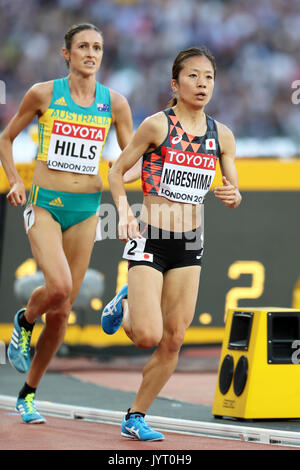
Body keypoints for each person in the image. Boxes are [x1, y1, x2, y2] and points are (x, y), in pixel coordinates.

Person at [101, 46, 242, 441]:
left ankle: (135, 416)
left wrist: (233, 196)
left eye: (209, 77)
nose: (202, 84)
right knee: (146, 336)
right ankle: (125, 303)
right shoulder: (156, 126)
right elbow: (116, 172)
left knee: (174, 337)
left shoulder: (222, 136)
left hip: (189, 242)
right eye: (193, 76)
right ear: (175, 84)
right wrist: (125, 214)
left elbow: (233, 189)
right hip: (150, 236)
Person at [0, 23, 133, 424]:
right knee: (57, 286)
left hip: (86, 208)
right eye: (83, 47)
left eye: (97, 48)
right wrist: (15, 180)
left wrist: (130, 173)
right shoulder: (43, 93)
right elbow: (5, 138)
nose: (91, 54)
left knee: (62, 309)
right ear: (67, 54)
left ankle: (28, 393)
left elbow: (134, 156)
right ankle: (24, 321)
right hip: (44, 203)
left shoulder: (115, 104)